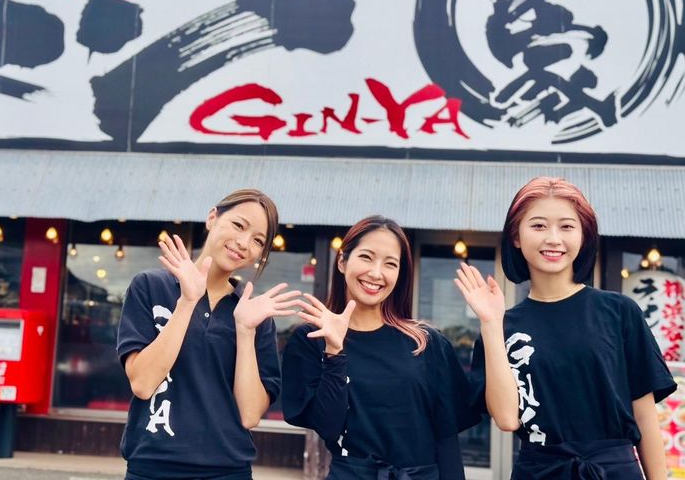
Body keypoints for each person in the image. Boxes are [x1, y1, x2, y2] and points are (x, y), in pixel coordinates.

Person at [455, 176, 675, 479]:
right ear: (516, 236)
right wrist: (492, 325)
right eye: (538, 226)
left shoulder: (619, 312)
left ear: (583, 236)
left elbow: (645, 416)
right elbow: (507, 419)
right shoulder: (501, 327)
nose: (553, 238)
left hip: (613, 471)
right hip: (539, 471)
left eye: (567, 226)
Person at [116, 188, 301, 480]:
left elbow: (250, 415)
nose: (243, 243)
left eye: (258, 241)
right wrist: (187, 302)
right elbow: (142, 383)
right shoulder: (151, 286)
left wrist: (245, 330)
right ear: (212, 217)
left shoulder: (254, 315)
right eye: (238, 225)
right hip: (152, 466)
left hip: (228, 471)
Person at [282, 215, 479, 480]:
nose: (376, 273)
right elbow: (328, 428)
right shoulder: (312, 338)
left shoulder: (426, 342)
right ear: (342, 261)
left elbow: (446, 438)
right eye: (366, 257)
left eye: (390, 264)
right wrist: (334, 351)